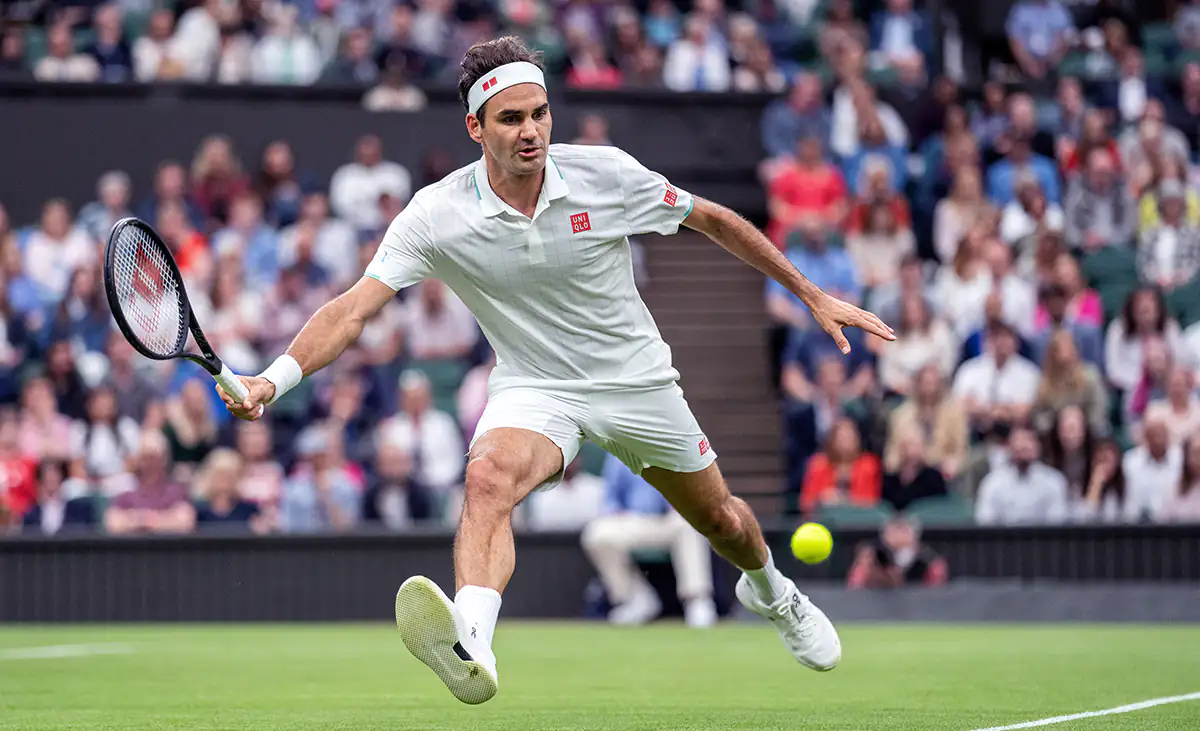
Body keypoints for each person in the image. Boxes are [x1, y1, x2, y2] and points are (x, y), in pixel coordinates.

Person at [217, 36, 893, 704]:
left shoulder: (606, 174)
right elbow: (352, 309)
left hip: (636, 381)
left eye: (539, 112)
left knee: (724, 522)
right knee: (486, 477)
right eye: (511, 118)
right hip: (535, 386)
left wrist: (810, 293)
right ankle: (472, 641)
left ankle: (773, 590)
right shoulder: (435, 214)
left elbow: (712, 220)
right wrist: (271, 379)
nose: (531, 130)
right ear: (475, 127)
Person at [581, 454, 717, 628]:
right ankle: (636, 599)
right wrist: (617, 513)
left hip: (671, 520)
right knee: (597, 534)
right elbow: (611, 500)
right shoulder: (617, 453)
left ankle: (698, 599)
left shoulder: (678, 445)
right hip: (635, 522)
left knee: (689, 524)